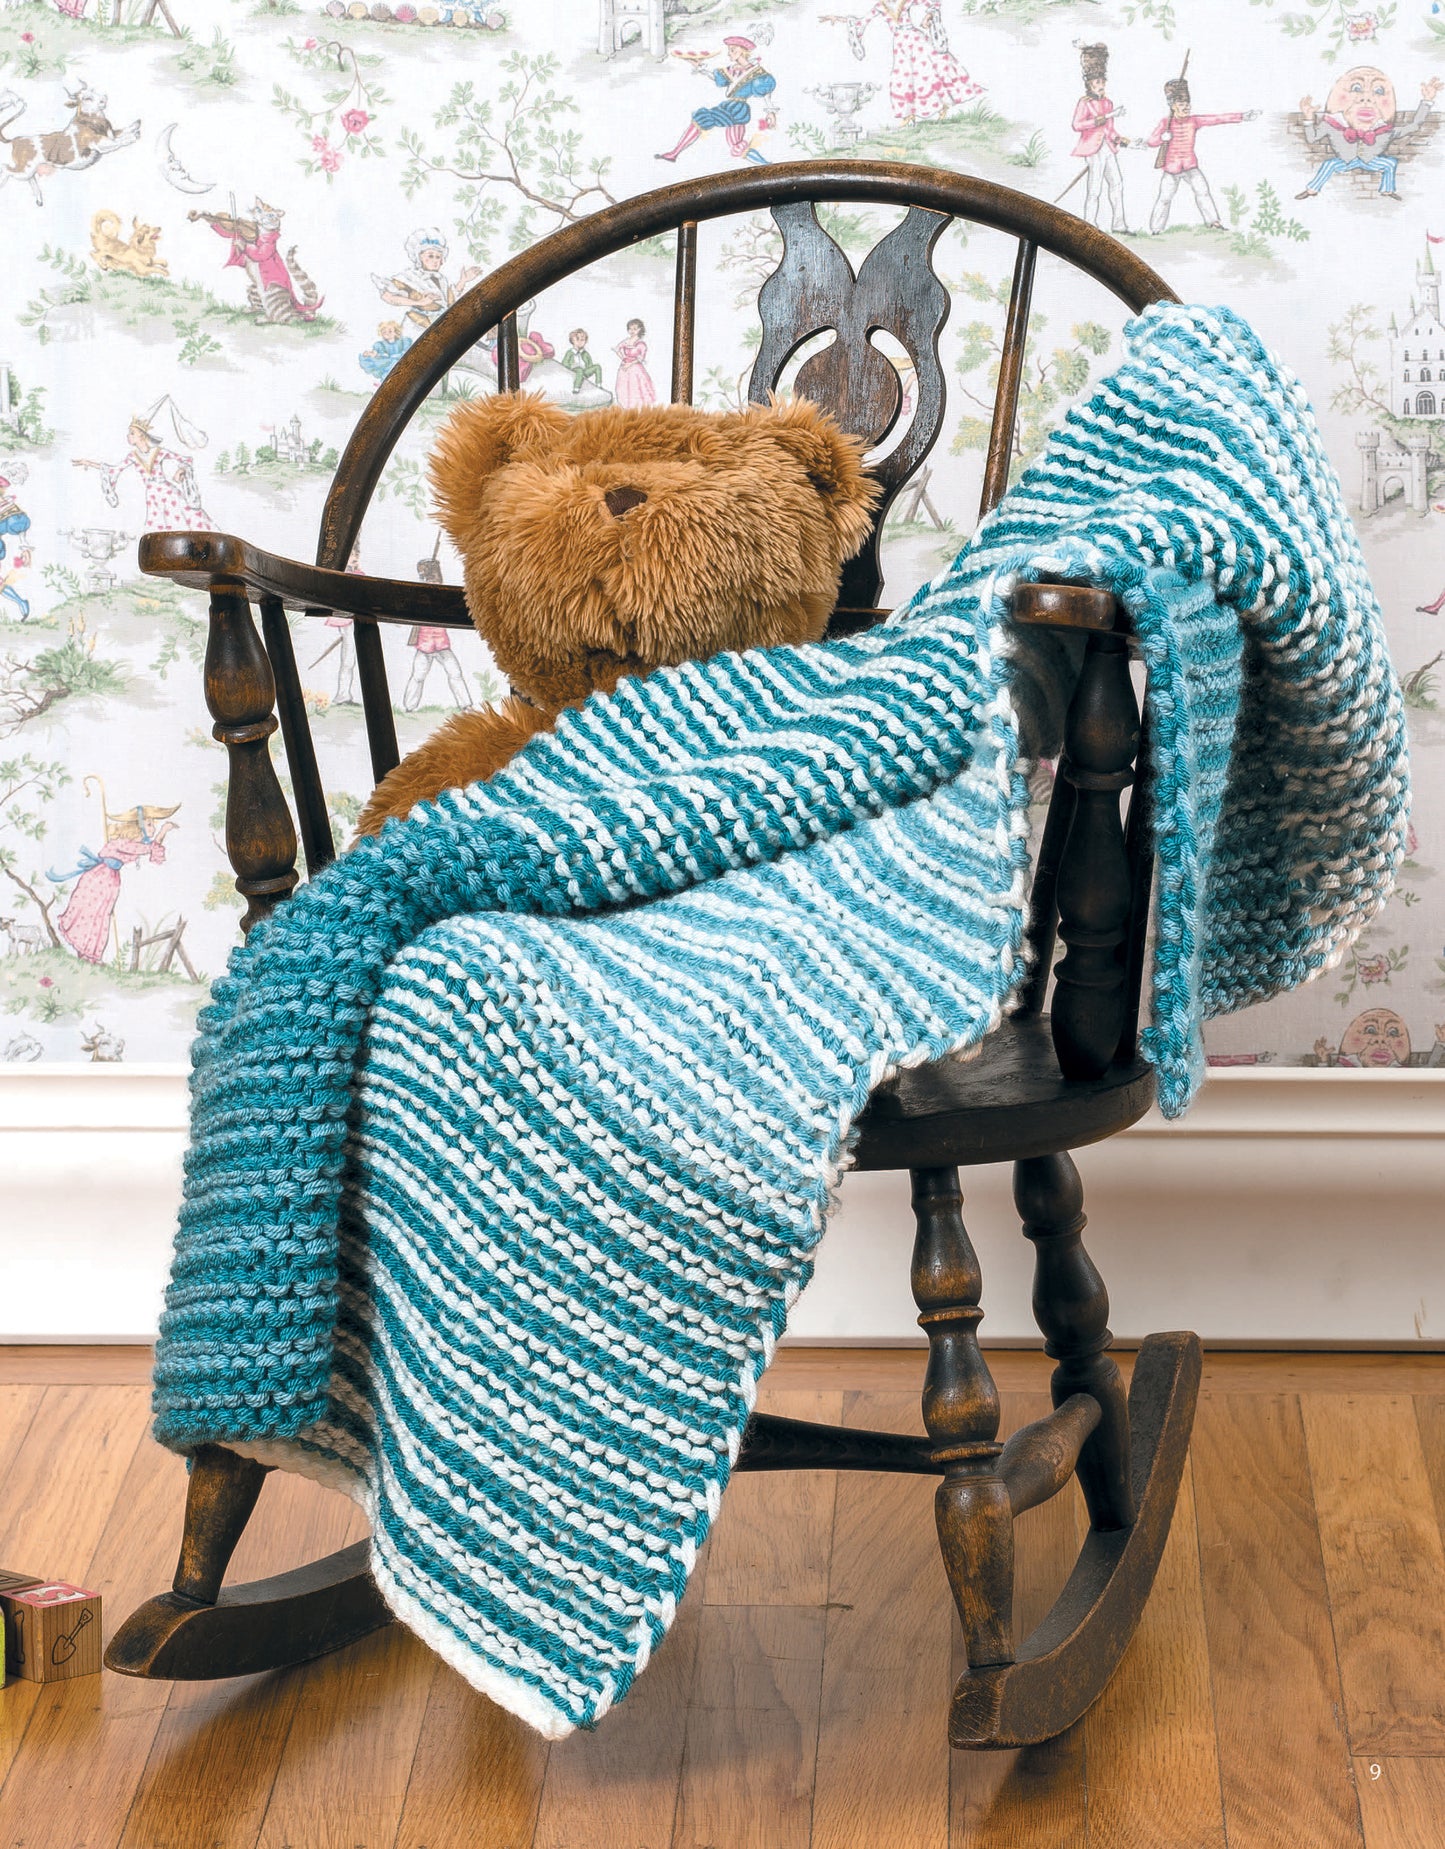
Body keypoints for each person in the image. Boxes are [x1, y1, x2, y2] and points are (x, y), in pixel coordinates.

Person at [48, 810, 175, 966]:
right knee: (90, 915)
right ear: (137, 826)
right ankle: (86, 953)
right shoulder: (123, 843)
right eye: (149, 825)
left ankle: (92, 955)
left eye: (153, 826)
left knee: (100, 918)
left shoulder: (133, 844)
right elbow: (147, 849)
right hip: (99, 879)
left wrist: (162, 833)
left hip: (110, 880)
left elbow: (151, 849)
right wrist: (164, 830)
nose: (152, 829)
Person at [1297, 66, 1440, 201]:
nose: (1366, 99)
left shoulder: (1385, 131)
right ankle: (1312, 190)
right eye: (1356, 88)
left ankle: (1387, 190)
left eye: (1378, 91)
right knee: (1329, 164)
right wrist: (1309, 119)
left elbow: (1414, 126)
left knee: (1390, 163)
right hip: (1347, 161)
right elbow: (1312, 138)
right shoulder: (1332, 125)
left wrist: (1427, 101)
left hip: (1371, 161)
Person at [74, 401, 213, 532]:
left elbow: (186, 460)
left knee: (182, 523)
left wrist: (181, 471)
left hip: (169, 494)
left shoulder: (159, 451)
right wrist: (89, 463)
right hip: (152, 497)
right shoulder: (133, 456)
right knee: (157, 529)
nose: (128, 436)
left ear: (141, 435)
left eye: (132, 433)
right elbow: (113, 469)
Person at [1146, 75, 1257, 233]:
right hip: (1171, 169)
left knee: (1203, 192)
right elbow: (1151, 141)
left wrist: (1242, 116)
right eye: (1181, 103)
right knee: (1164, 199)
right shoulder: (1165, 123)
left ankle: (1214, 223)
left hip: (1190, 166)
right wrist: (1162, 137)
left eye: (1187, 103)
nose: (1186, 107)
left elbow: (1217, 119)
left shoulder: (1194, 121)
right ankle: (1156, 229)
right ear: (1173, 106)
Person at [846, 0, 982, 126]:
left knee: (928, 72)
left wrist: (928, 16)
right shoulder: (880, 6)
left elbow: (934, 3)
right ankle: (908, 114)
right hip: (900, 43)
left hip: (915, 40)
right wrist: (840, 20)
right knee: (903, 77)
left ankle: (943, 105)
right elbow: (861, 22)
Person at [657, 37, 778, 164]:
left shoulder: (756, 71)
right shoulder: (732, 69)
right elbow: (716, 78)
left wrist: (771, 112)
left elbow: (765, 91)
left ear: (742, 51)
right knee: (734, 144)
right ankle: (766, 165)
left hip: (738, 108)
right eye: (729, 50)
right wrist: (701, 67)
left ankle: (674, 153)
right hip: (730, 107)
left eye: (732, 50)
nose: (729, 53)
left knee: (705, 121)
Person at [373, 227, 481, 334]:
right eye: (430, 256)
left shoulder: (441, 279)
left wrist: (463, 280)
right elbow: (388, 296)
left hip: (440, 325)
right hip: (418, 327)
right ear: (419, 257)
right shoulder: (409, 277)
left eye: (438, 257)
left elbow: (449, 302)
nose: (435, 261)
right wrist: (419, 302)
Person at [1071, 43, 1130, 235]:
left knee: (1117, 184)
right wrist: (1098, 120)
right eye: (1096, 83)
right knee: (1094, 189)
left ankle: (1119, 224)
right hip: (1092, 148)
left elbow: (1110, 130)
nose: (1100, 86)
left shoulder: (1108, 103)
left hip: (1107, 148)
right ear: (1089, 84)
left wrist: (1120, 139)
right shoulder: (1084, 102)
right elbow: (1077, 125)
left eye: (1102, 82)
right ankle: (1089, 225)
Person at [403, 550, 472, 712]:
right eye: (431, 578)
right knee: (418, 676)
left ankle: (466, 705)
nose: (435, 581)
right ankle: (409, 707)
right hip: (425, 645)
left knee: (455, 673)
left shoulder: (442, 596)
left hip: (441, 644)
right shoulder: (419, 596)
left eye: (435, 578)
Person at [0, 473, 32, 621]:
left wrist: (25, 549)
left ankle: (21, 602)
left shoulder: (7, 506)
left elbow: (20, 528)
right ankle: (21, 602)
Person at [613, 319, 657, 408]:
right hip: (624, 367)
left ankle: (637, 408)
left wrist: (630, 364)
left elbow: (641, 358)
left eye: (635, 329)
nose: (632, 331)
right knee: (623, 387)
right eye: (630, 329)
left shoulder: (641, 344)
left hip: (635, 368)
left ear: (640, 329)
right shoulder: (626, 341)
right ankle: (626, 407)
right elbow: (617, 348)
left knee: (636, 387)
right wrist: (624, 359)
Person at [359, 320, 413, 385]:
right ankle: (385, 383)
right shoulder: (380, 344)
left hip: (401, 361)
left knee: (394, 363)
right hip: (387, 362)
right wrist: (370, 354)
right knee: (390, 365)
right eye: (384, 332)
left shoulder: (403, 341)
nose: (387, 333)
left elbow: (406, 351)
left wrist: (395, 356)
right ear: (381, 333)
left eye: (390, 331)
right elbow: (375, 353)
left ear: (396, 332)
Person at [561, 329, 604, 397]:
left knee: (597, 366)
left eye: (582, 340)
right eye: (577, 339)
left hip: (584, 371)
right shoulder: (569, 353)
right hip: (573, 371)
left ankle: (598, 384)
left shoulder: (585, 354)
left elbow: (590, 364)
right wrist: (571, 367)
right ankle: (576, 388)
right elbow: (564, 364)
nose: (580, 342)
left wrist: (589, 369)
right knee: (579, 370)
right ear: (572, 340)